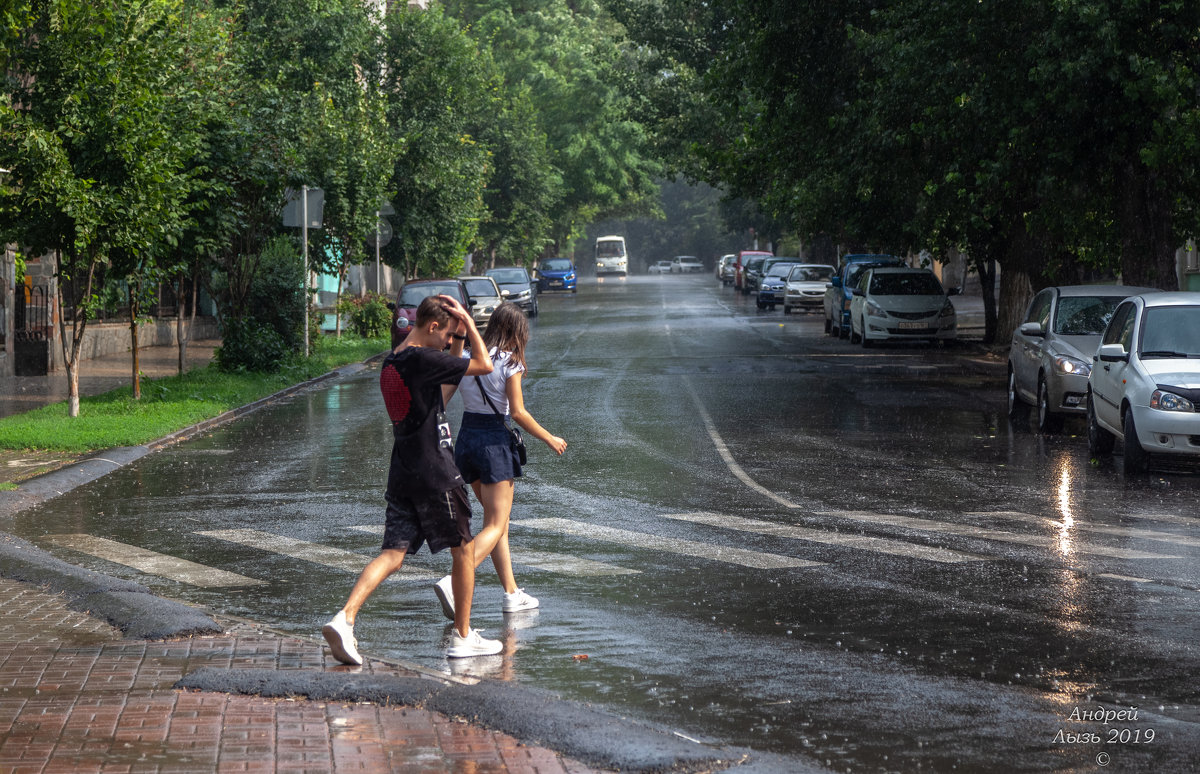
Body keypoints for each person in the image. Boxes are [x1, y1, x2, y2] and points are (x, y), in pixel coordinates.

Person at [322, 294, 501, 664]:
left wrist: (459, 339)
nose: (449, 342)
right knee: (465, 550)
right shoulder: (422, 357)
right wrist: (468, 321)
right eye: (447, 335)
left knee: (392, 554)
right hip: (435, 470)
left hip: (403, 471)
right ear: (432, 327)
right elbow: (484, 365)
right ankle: (463, 637)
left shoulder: (395, 360)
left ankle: (345, 618)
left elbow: (444, 394)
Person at [435, 301, 567, 620]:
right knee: (496, 523)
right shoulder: (510, 362)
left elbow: (440, 398)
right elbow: (517, 412)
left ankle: (511, 593)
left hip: (467, 441)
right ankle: (455, 581)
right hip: (494, 444)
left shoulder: (467, 358)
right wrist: (549, 437)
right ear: (517, 332)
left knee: (498, 525)